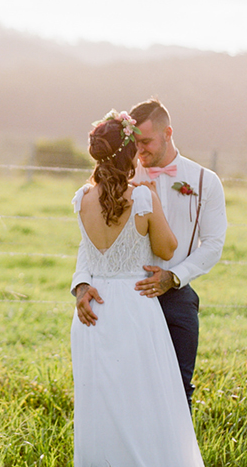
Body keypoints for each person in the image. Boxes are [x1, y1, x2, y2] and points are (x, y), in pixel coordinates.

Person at [70, 110, 214, 467]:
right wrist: (149, 197)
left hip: (96, 310)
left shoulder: (81, 198)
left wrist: (81, 285)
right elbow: (167, 250)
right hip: (135, 307)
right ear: (130, 151)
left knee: (103, 400)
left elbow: (86, 249)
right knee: (146, 397)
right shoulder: (144, 196)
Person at [73, 98, 227, 410]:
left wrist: (174, 276)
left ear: (168, 133)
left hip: (176, 298)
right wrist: (80, 284)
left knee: (178, 390)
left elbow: (213, 244)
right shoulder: (120, 177)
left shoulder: (204, 181)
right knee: (125, 390)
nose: (140, 150)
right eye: (135, 143)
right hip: (125, 299)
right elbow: (88, 241)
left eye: (146, 142)